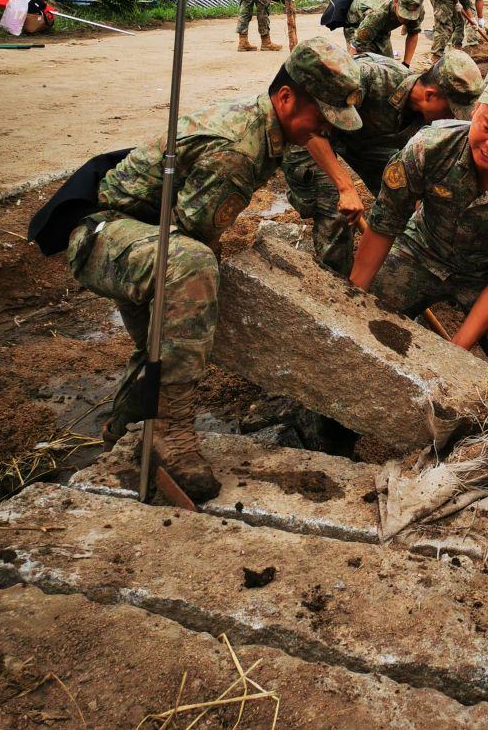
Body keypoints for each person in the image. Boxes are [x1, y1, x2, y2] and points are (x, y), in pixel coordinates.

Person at [65, 40, 363, 502]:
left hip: (143, 231)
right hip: (103, 233)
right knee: (194, 269)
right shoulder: (239, 149)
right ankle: (171, 430)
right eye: (320, 119)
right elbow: (193, 236)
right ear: (285, 98)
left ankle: (125, 434)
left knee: (161, 339)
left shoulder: (268, 126)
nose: (324, 130)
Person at [349, 68, 488, 396]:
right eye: (487, 127)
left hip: (486, 277)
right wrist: (353, 298)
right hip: (419, 252)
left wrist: (456, 350)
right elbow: (385, 223)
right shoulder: (429, 147)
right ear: (475, 111)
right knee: (353, 328)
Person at [282, 50, 483, 276]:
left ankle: (393, 273)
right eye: (450, 111)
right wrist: (345, 186)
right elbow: (309, 128)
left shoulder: (423, 118)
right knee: (336, 210)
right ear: (429, 95)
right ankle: (336, 285)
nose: (452, 120)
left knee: (400, 200)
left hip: (365, 141)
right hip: (310, 136)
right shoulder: (367, 78)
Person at [344, 0, 425, 64]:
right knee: (365, 65)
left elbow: (413, 33)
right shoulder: (377, 13)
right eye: (403, 15)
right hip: (357, 22)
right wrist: (352, 68)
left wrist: (406, 64)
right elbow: (356, 45)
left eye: (410, 17)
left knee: (389, 66)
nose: (405, 19)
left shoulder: (417, 7)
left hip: (381, 27)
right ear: (395, 2)